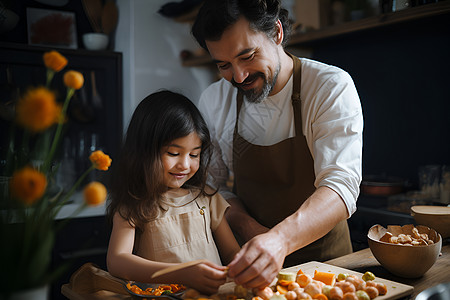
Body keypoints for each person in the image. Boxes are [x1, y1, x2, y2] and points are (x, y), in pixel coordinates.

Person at [191, 0, 363, 290]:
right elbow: (212, 187)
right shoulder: (214, 100)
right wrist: (251, 230)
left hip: (327, 269)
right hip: (250, 266)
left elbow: (341, 185)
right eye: (224, 65)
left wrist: (280, 239)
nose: (239, 76)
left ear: (276, 33)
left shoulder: (329, 86)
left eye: (247, 56)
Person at [106, 90, 240, 295]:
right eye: (174, 153)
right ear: (144, 151)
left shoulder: (206, 197)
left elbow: (231, 252)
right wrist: (180, 273)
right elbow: (117, 261)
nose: (185, 165)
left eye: (194, 154)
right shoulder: (134, 203)